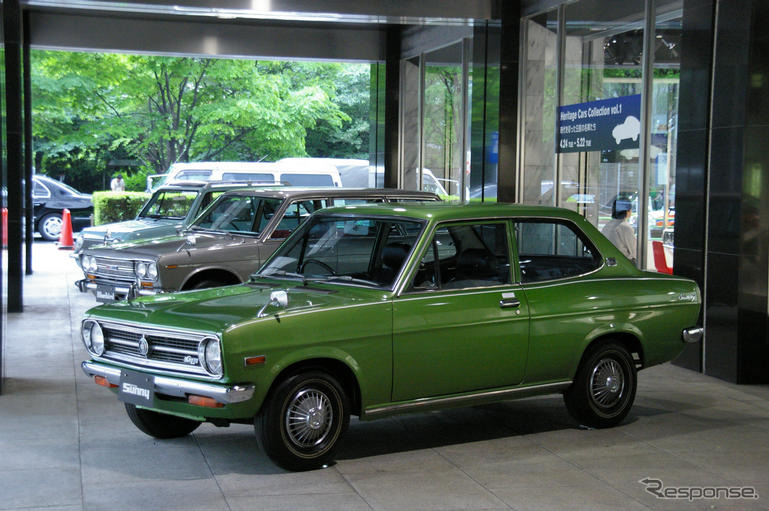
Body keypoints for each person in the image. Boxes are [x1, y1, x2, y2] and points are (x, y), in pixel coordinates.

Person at [602, 198, 636, 264]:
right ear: (627, 211)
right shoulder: (625, 227)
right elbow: (633, 252)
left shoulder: (607, 225)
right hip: (624, 263)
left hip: (610, 262)